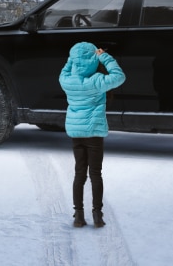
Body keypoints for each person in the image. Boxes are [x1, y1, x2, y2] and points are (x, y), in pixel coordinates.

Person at [59, 42, 126, 228]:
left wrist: (72, 59)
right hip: (94, 132)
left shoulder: (67, 81)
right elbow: (119, 76)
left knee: (79, 173)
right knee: (96, 173)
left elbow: (65, 71)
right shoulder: (97, 80)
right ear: (93, 60)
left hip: (76, 132)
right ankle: (97, 214)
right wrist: (103, 56)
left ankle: (78, 215)